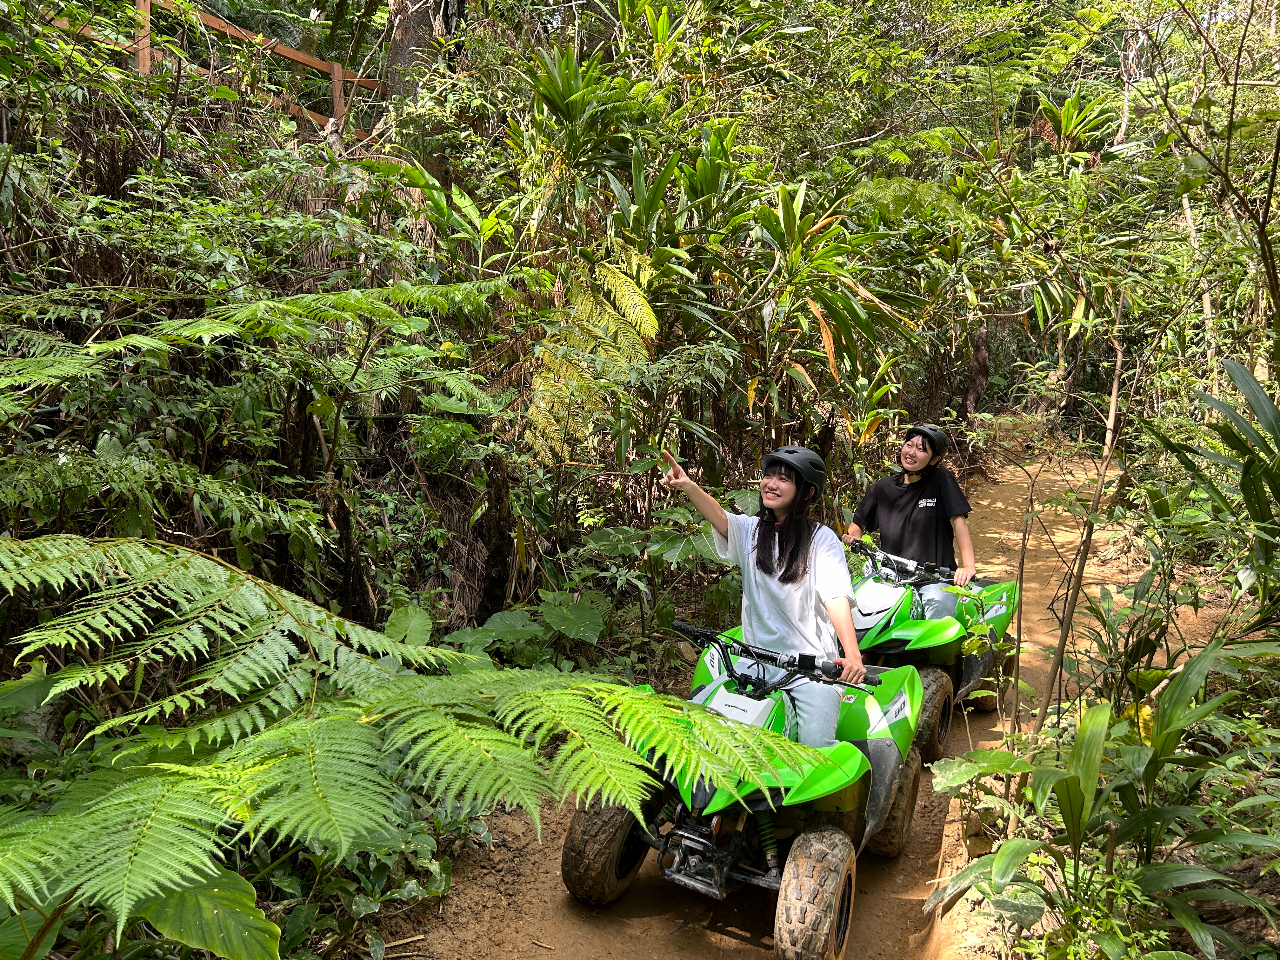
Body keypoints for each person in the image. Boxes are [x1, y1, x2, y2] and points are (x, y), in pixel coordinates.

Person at [660, 445, 865, 749]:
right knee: (696, 728)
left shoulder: (822, 540)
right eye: (768, 476)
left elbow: (835, 598)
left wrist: (852, 654)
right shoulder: (752, 532)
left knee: (814, 750)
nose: (771, 483)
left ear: (806, 492)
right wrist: (688, 486)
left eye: (784, 479)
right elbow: (719, 514)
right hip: (753, 663)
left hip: (808, 673)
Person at [842, 424, 976, 621]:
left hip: (934, 578)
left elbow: (958, 521)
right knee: (861, 614)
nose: (912, 452)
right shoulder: (883, 488)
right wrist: (855, 540)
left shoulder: (941, 479)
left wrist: (968, 567)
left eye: (921, 449)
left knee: (938, 622)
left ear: (935, 459)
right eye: (909, 445)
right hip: (891, 576)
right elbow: (856, 526)